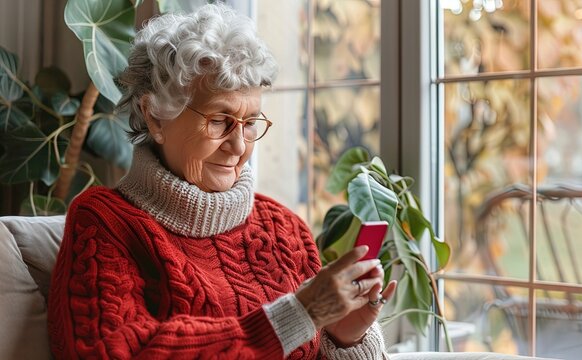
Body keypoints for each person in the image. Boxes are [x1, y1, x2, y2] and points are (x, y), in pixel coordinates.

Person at [47, 4, 397, 359]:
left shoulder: (284, 229)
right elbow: (109, 351)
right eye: (220, 121)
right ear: (155, 117)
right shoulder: (105, 224)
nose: (239, 146)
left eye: (249, 123)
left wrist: (344, 339)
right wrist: (297, 315)